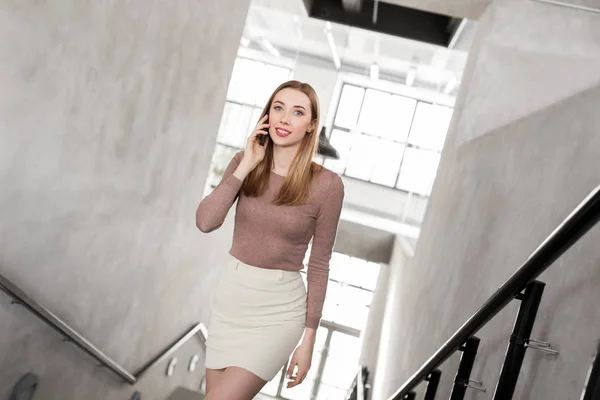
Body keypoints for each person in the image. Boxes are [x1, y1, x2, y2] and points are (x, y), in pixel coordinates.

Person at [196, 80, 345, 400]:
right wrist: (247, 164)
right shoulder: (243, 162)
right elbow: (206, 222)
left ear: (311, 126)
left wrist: (309, 341)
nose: (284, 118)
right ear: (267, 114)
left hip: (277, 313)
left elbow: (319, 264)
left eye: (297, 112)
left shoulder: (328, 185)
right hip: (230, 303)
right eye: (278, 108)